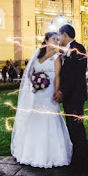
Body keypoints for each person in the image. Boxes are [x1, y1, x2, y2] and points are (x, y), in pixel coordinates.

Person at [11, 31, 72, 168]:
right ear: (45, 41)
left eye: (58, 39)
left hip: (49, 94)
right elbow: (29, 73)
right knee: (35, 118)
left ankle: (53, 154)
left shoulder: (57, 57)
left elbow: (57, 77)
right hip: (38, 94)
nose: (57, 41)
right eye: (54, 39)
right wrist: (35, 82)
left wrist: (56, 92)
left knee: (51, 118)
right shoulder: (38, 57)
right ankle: (32, 152)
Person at [54, 24, 88, 176]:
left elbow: (75, 75)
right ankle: (80, 159)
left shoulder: (77, 49)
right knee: (74, 129)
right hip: (72, 96)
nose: (58, 39)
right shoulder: (68, 50)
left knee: (77, 129)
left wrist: (63, 90)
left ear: (65, 34)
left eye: (59, 35)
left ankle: (82, 161)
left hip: (75, 96)